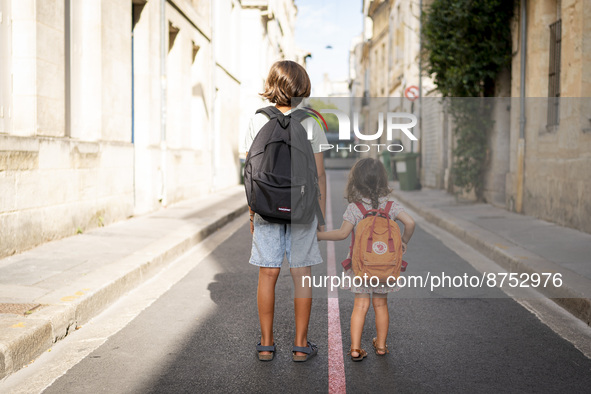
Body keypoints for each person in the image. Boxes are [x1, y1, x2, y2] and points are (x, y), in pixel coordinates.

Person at [244, 60, 328, 362]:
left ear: (272, 84)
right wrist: (321, 218)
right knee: (301, 274)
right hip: (303, 210)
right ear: (301, 87)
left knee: (267, 273)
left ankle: (266, 345)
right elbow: (319, 176)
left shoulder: (257, 120)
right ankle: (301, 346)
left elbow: (251, 172)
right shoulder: (311, 122)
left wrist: (252, 213)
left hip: (266, 207)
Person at [317, 158, 415, 361]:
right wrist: (403, 241)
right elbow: (410, 222)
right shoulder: (391, 206)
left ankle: (354, 348)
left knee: (360, 306)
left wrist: (318, 236)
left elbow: (342, 234)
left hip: (360, 268)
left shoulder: (355, 208)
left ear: (356, 182)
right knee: (381, 305)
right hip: (385, 267)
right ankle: (380, 346)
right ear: (382, 180)